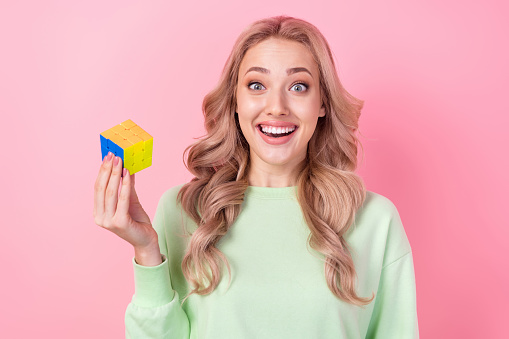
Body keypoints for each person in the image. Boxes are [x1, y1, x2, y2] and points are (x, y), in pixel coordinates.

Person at [93, 15, 419, 339]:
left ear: (322, 103)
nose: (276, 107)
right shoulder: (183, 211)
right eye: (257, 85)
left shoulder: (376, 220)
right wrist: (148, 251)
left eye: (298, 86)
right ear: (235, 100)